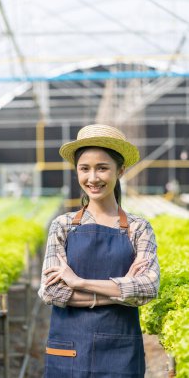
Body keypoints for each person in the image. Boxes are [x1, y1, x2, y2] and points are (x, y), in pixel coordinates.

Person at [38, 124, 160, 378]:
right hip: (68, 349)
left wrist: (79, 282)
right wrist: (123, 290)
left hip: (121, 351)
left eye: (102, 168)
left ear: (121, 171)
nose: (92, 178)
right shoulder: (63, 226)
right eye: (85, 169)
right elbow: (51, 291)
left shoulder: (138, 228)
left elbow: (148, 288)